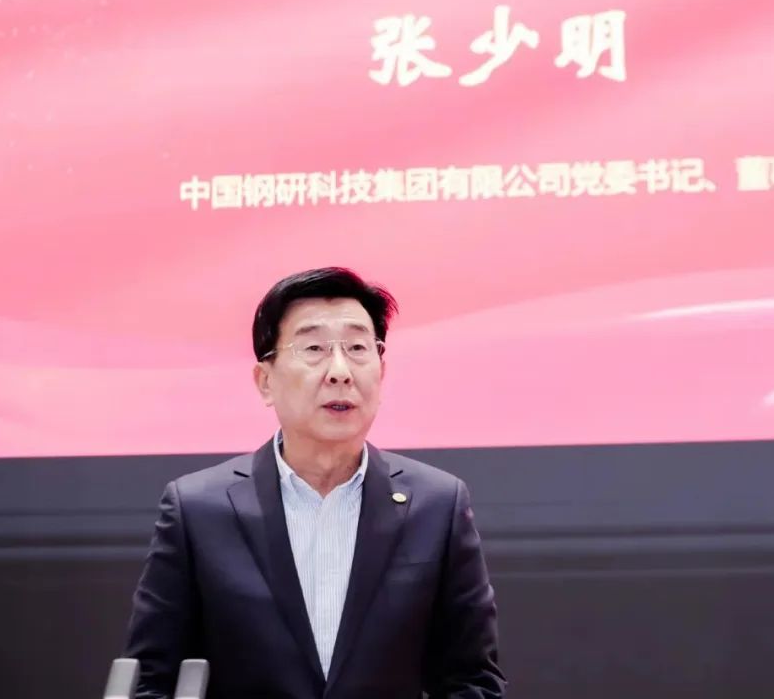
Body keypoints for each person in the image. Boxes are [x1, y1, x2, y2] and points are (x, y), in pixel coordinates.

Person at [124, 267, 505, 698]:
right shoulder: (197, 510)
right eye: (314, 348)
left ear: (381, 373)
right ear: (265, 381)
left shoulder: (437, 505)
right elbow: (149, 681)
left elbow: (473, 681)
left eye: (357, 347)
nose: (340, 371)